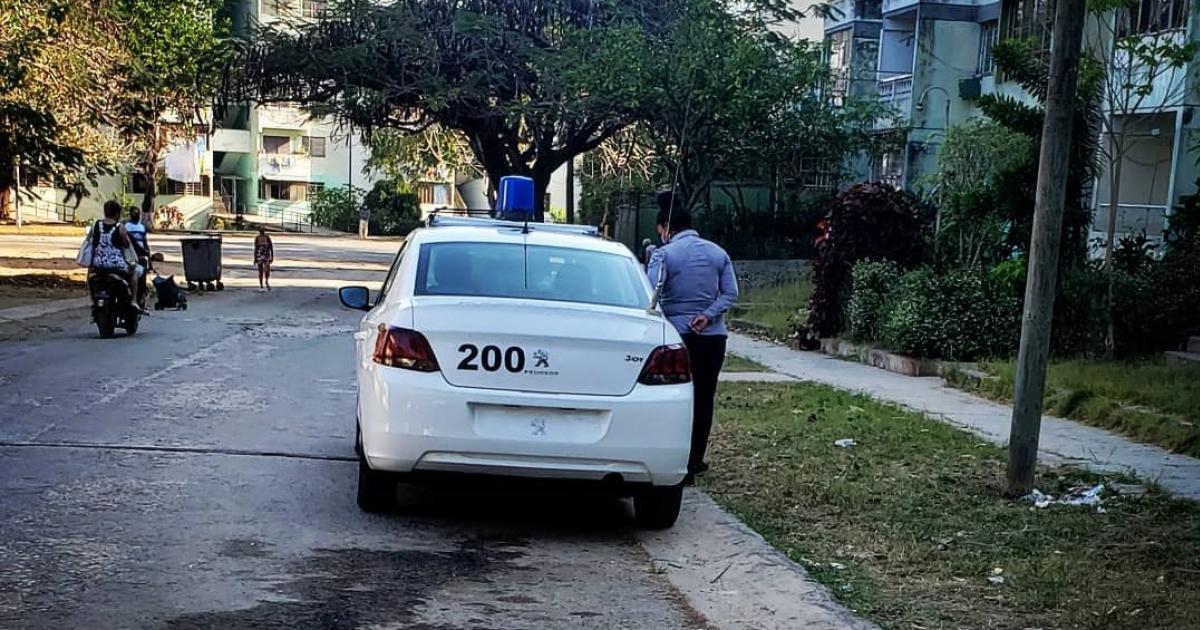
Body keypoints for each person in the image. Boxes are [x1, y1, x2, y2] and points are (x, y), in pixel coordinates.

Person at [646, 189, 739, 483]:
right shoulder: (718, 252)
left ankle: (675, 460)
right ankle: (695, 459)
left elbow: (652, 296)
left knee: (675, 398)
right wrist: (708, 314)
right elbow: (731, 294)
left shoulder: (664, 254)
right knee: (704, 398)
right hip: (713, 336)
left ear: (666, 229)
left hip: (677, 335)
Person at [86, 201, 138, 287]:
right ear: (117, 214)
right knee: (134, 272)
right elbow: (126, 245)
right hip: (115, 264)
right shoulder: (120, 227)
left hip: (97, 263)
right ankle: (133, 299)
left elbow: (89, 240)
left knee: (89, 272)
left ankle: (91, 294)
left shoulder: (96, 224)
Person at [124, 207, 150, 309]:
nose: (136, 216)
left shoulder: (141, 227)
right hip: (130, 254)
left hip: (141, 255)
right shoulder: (126, 226)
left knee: (142, 276)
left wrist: (148, 254)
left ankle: (141, 298)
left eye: (137, 214)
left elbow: (145, 241)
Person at [254, 227, 274, 291]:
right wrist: (255, 258)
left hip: (266, 255)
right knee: (260, 271)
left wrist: (272, 257)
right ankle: (261, 285)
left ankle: (266, 281)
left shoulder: (267, 237)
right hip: (259, 255)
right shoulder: (257, 238)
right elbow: (256, 248)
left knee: (267, 270)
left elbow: (271, 247)